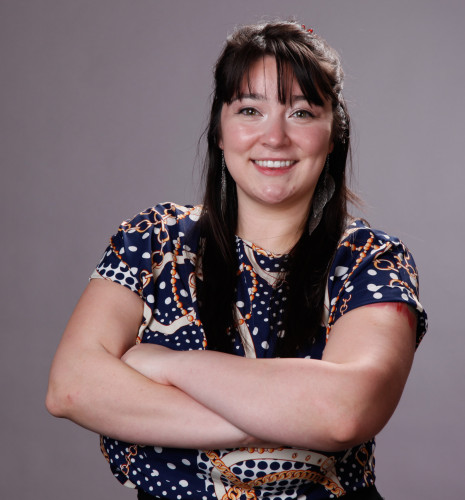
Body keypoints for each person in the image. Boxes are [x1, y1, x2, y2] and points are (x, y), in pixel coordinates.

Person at [46, 20, 427, 500]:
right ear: (220, 132)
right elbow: (71, 387)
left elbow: (342, 414)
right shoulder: (154, 239)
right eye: (250, 109)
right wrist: (272, 420)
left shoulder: (370, 260)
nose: (274, 137)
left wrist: (165, 365)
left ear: (333, 137)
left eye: (303, 113)